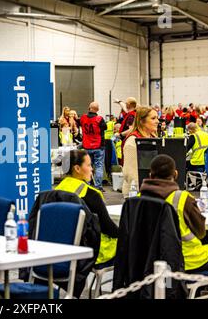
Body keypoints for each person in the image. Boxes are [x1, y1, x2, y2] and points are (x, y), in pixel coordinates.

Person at [140, 154, 208, 298]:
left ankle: (200, 288)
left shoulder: (138, 199)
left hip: (152, 260)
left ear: (150, 174)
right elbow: (200, 232)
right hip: (189, 259)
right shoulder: (181, 198)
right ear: (175, 174)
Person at [55, 149, 118, 284]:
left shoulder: (56, 191)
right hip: (94, 252)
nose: (92, 169)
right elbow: (108, 228)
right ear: (77, 168)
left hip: (63, 249)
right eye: (89, 165)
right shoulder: (91, 194)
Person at [121, 106, 159, 197]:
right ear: (142, 121)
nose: (157, 121)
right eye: (153, 118)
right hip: (136, 192)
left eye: (157, 118)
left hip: (152, 190)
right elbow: (130, 173)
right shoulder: (132, 141)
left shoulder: (154, 138)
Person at [80, 101, 106, 191]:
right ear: (98, 109)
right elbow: (104, 127)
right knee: (99, 166)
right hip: (98, 146)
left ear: (89, 108)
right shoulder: (99, 119)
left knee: (87, 165)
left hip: (87, 146)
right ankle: (98, 186)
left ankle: (88, 184)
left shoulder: (83, 118)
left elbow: (79, 123)